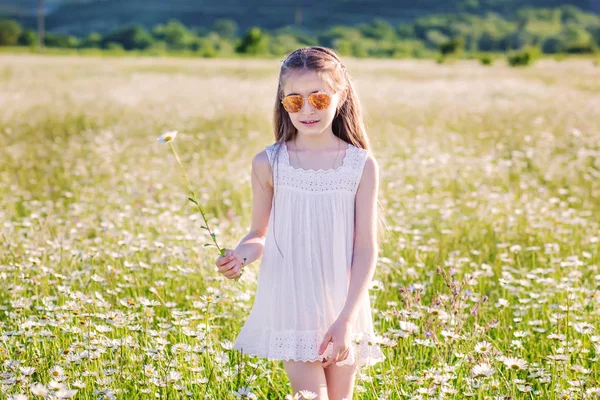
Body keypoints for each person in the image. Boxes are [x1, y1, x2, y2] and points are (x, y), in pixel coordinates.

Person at [215, 46, 385, 399]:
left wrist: (346, 320)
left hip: (344, 305)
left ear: (342, 95)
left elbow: (366, 248)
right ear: (282, 103)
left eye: (318, 99)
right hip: (293, 304)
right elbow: (258, 235)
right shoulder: (270, 162)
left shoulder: (360, 164)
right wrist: (240, 257)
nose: (307, 110)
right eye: (294, 101)